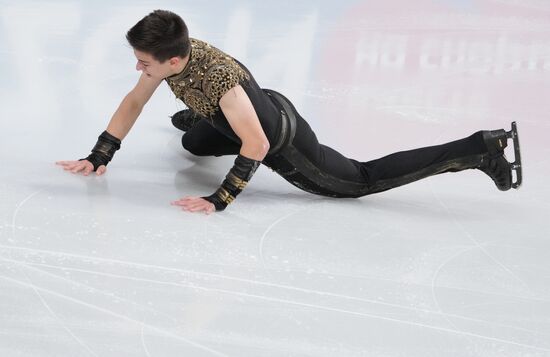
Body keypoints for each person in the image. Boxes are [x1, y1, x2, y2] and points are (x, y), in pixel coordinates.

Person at [56, 10, 523, 215]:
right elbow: (135, 101)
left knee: (359, 180)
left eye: (145, 63)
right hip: (247, 109)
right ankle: (200, 124)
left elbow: (256, 145)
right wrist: (101, 155)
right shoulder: (174, 55)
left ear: (174, 62)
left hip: (278, 136)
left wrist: (218, 200)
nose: (139, 69)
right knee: (192, 141)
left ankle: (479, 149)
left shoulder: (219, 80)